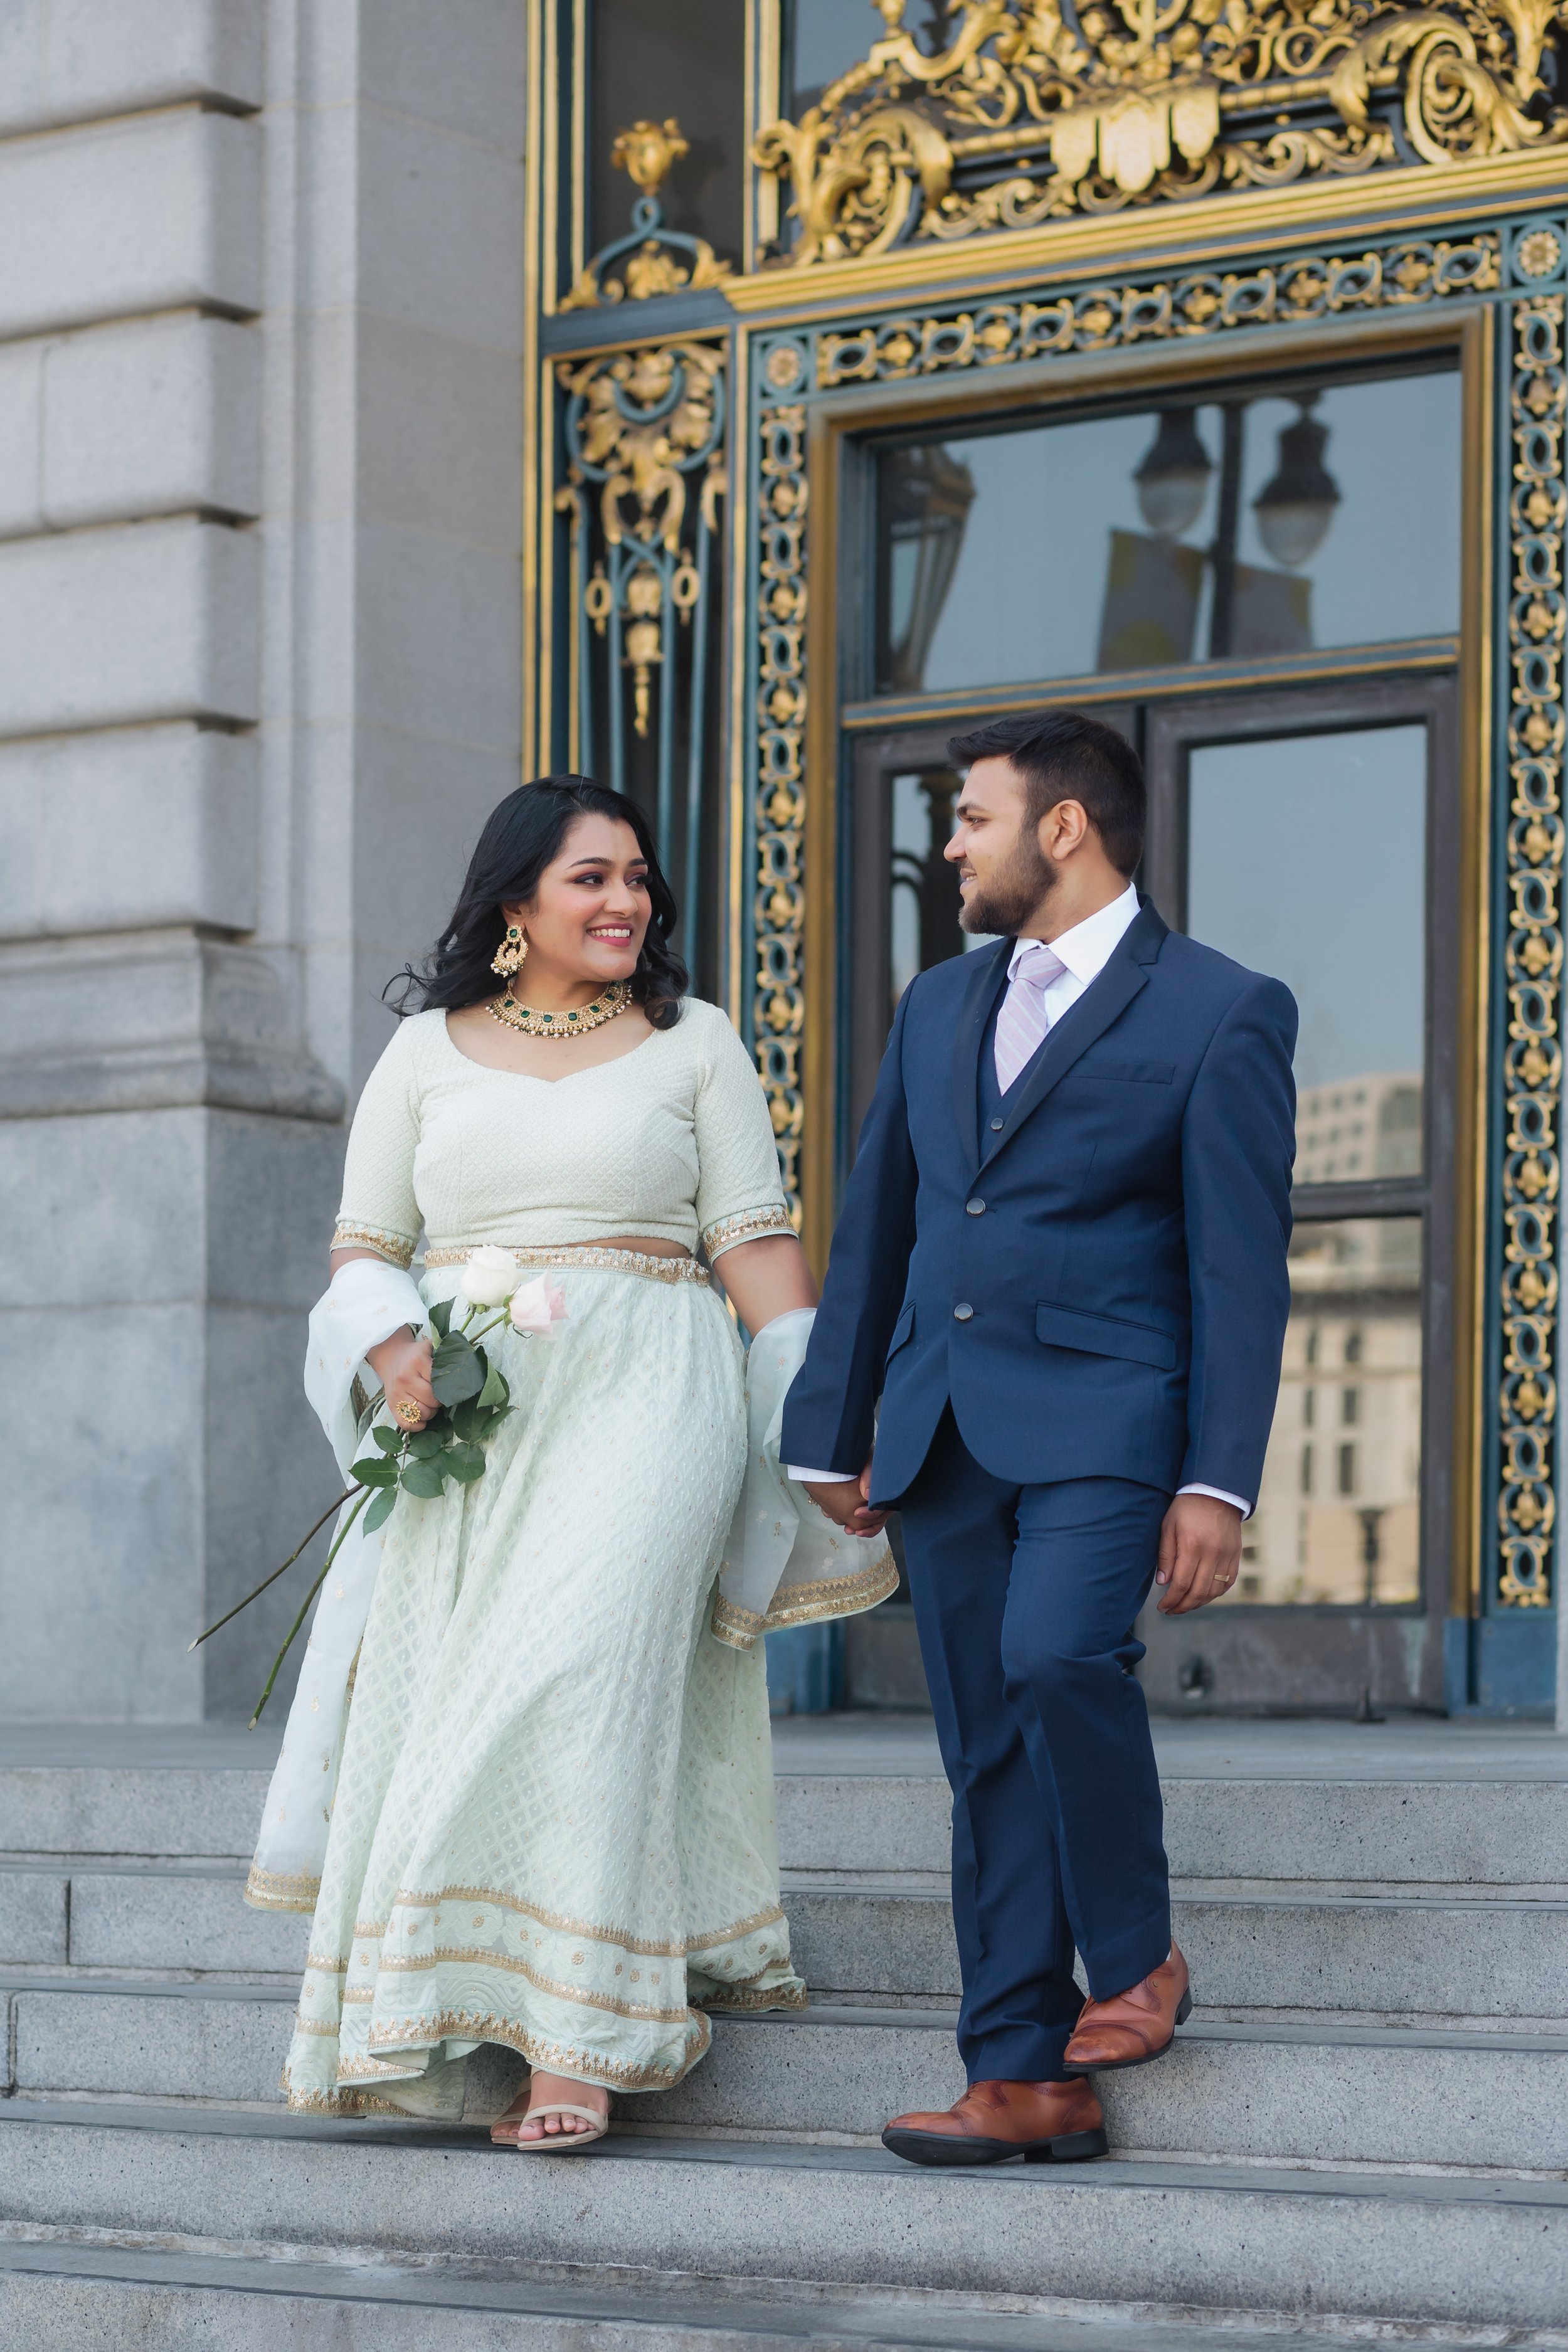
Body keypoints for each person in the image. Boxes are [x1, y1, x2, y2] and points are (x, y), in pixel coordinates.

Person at [246, 777, 895, 2148]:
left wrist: (826, 1416)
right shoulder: (424, 1050)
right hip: (475, 1420)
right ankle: (455, 2001)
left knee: (583, 1675)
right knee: (460, 1700)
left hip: (652, 1391)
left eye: (638, 878)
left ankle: (576, 2046)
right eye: (591, 878)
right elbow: (364, 1248)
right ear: (513, 903)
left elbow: (757, 1251)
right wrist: (388, 1348)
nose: (627, 901)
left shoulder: (694, 1043)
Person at [781, 710, 1296, 2167]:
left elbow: (1237, 1267)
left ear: (1061, 828)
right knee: (982, 1752)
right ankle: (1019, 2073)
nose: (947, 845)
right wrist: (829, 1421)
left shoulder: (1220, 1007)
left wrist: (1216, 1477)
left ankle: (1135, 1955)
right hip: (941, 1423)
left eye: (971, 818)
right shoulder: (939, 1002)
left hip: (1108, 1417)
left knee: (1057, 1655)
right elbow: (880, 1215)